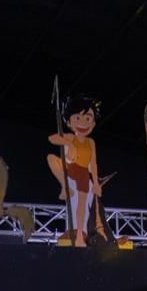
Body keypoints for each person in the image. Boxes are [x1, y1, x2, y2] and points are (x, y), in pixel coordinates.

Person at [47, 95, 103, 248]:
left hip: (83, 173)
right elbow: (52, 138)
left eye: (88, 118)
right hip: (71, 169)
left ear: (93, 122)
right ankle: (64, 186)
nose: (83, 123)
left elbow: (93, 163)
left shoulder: (90, 142)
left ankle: (79, 235)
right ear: (69, 122)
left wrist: (96, 183)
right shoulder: (71, 137)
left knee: (81, 205)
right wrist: (69, 144)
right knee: (51, 158)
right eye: (77, 118)